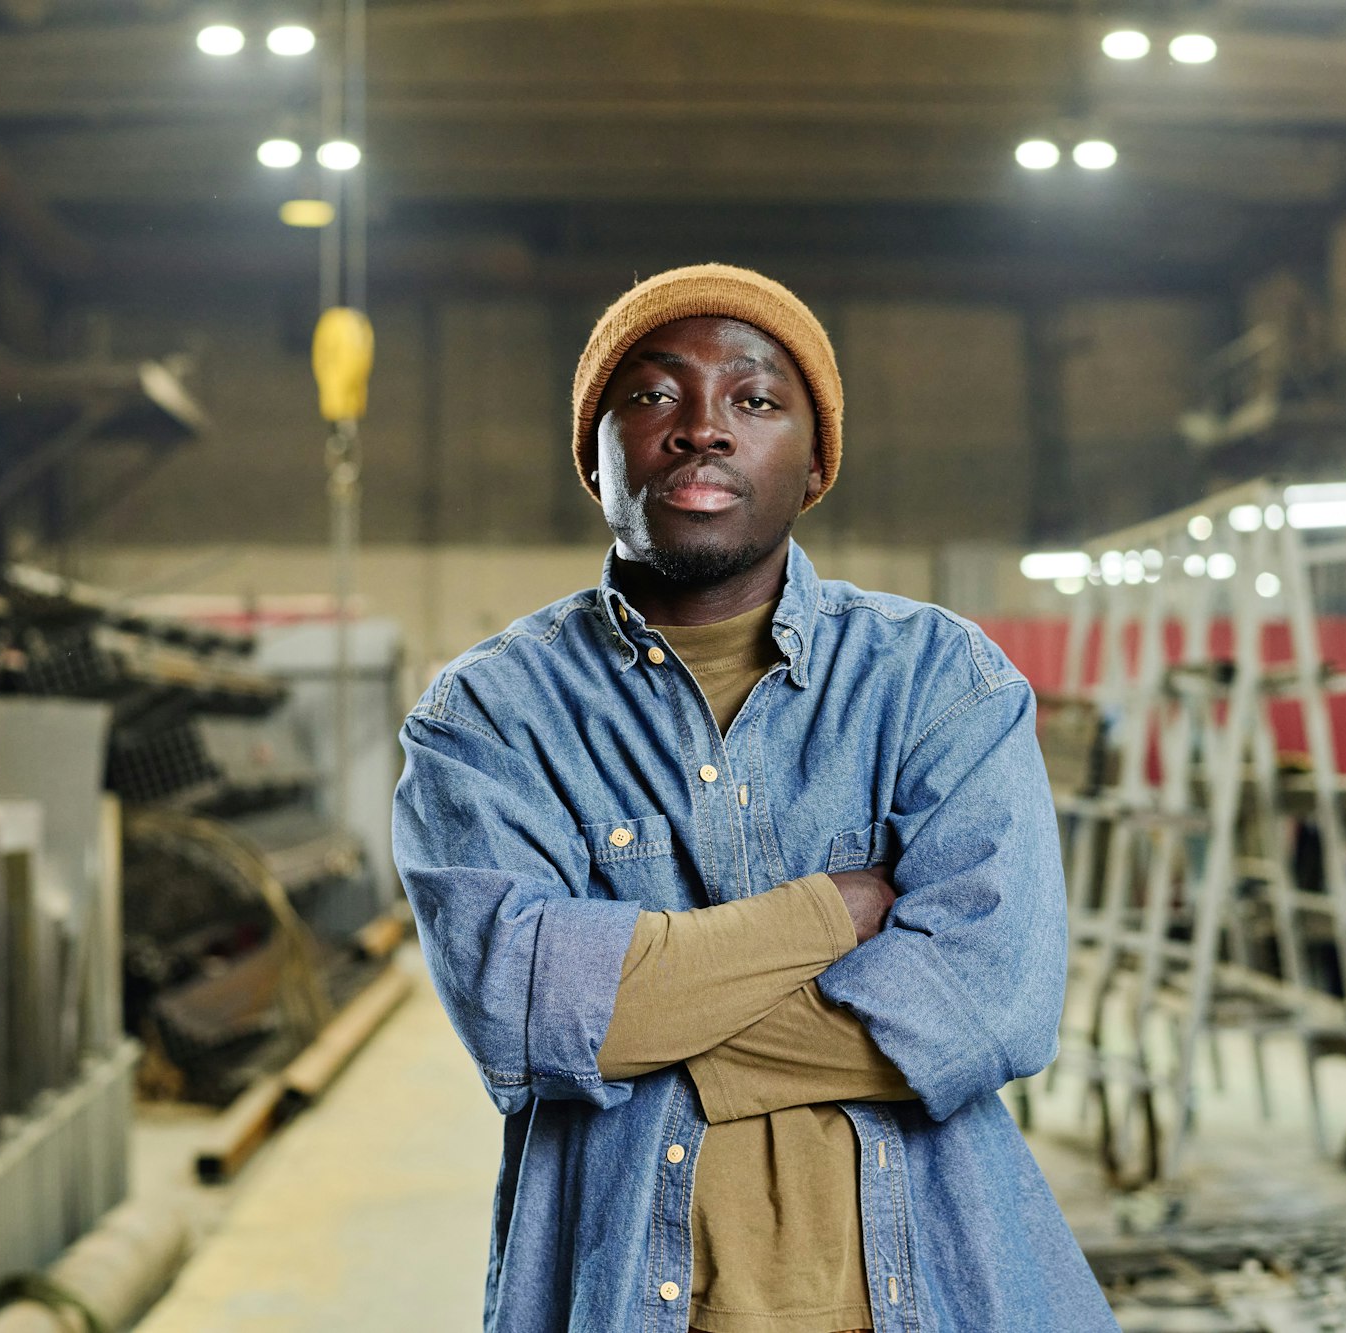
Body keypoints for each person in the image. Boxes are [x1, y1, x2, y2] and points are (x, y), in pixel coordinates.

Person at [393, 264, 1117, 1332]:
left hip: (939, 1294)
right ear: (594, 459)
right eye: (650, 396)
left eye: (754, 399)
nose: (700, 430)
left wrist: (640, 1014)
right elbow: (526, 1009)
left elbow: (988, 1003)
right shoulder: (489, 716)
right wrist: (833, 912)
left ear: (816, 458)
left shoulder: (935, 679)